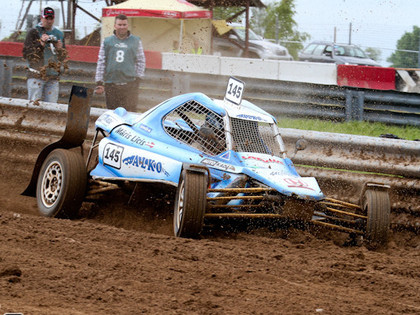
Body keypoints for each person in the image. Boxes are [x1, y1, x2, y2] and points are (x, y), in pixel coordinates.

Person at [95, 14, 146, 111]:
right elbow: (101, 61)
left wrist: (138, 78)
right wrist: (99, 81)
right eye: (119, 24)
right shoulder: (107, 41)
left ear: (127, 25)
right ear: (115, 25)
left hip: (129, 84)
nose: (122, 27)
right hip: (111, 84)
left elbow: (141, 60)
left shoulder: (136, 41)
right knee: (112, 113)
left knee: (130, 112)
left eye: (124, 25)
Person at [22, 7, 66, 103]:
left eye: (51, 18)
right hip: (36, 75)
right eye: (47, 18)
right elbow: (26, 54)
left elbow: (63, 57)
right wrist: (41, 43)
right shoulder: (34, 32)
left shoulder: (59, 34)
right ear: (41, 18)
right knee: (34, 104)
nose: (49, 21)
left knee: (52, 107)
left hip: (52, 77)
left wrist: (59, 49)